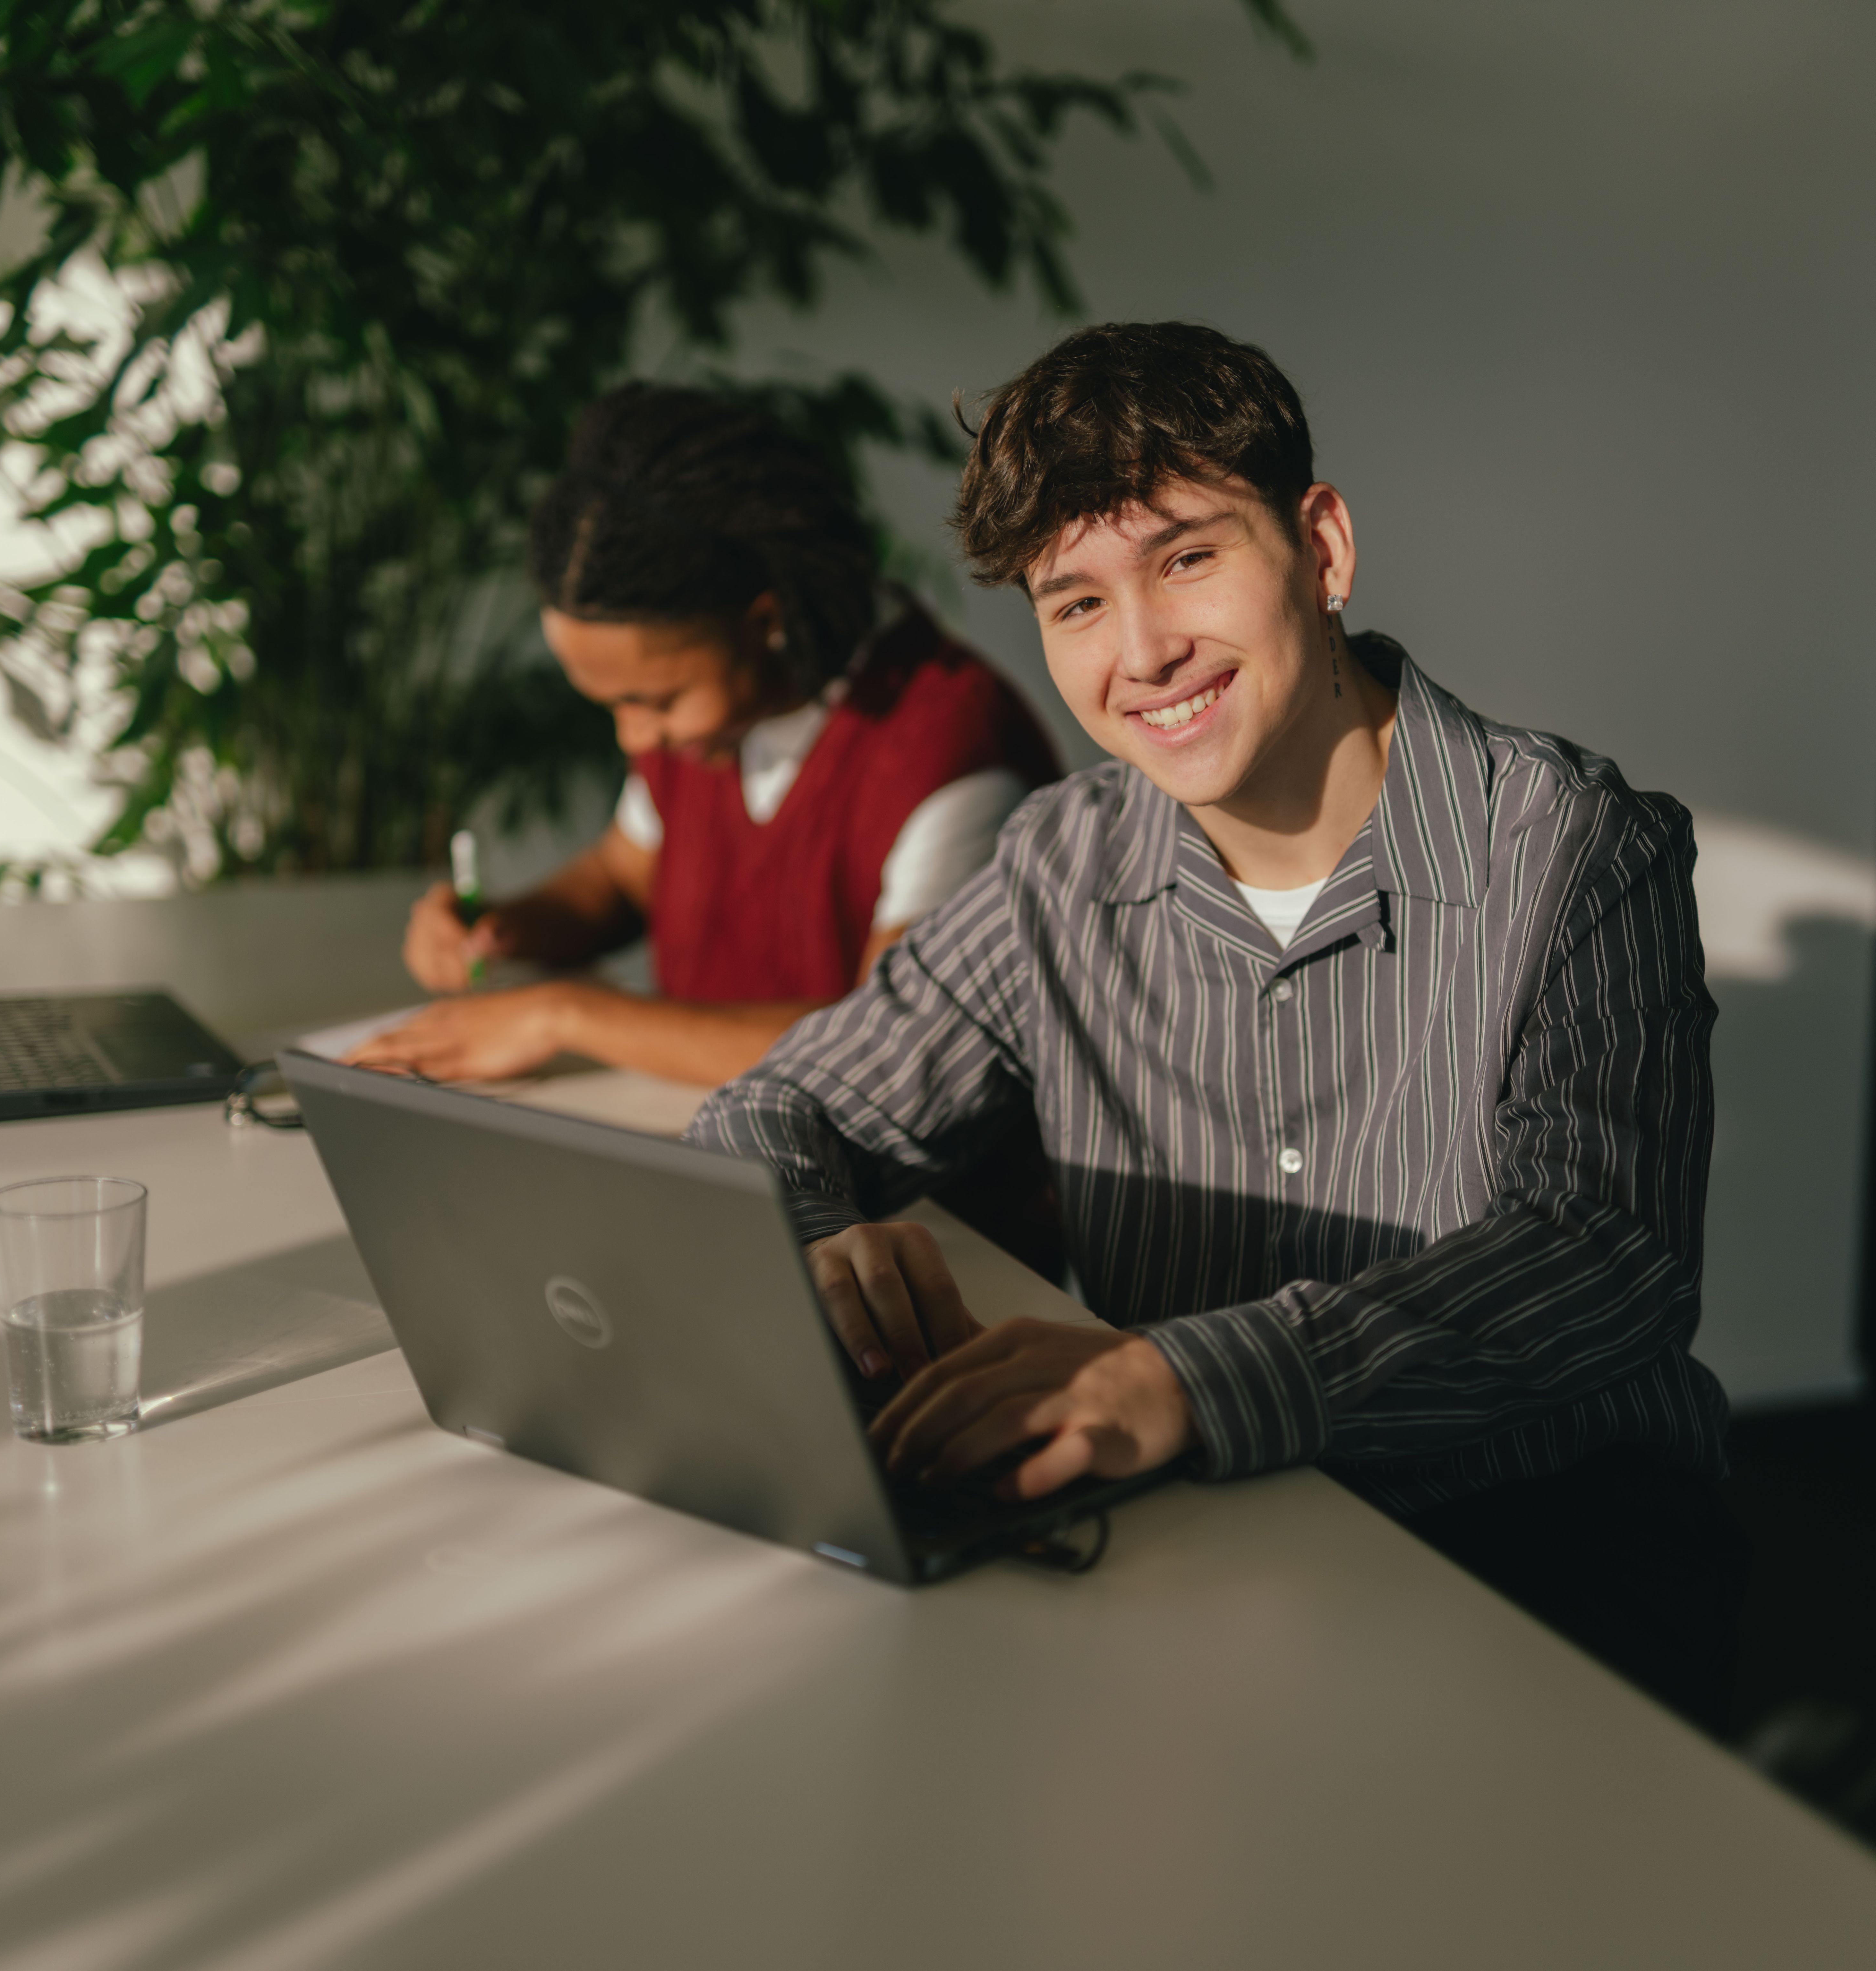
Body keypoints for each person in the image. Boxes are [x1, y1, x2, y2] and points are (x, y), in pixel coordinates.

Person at [686, 322, 1740, 1726]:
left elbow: (1603, 1260)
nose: (1143, 653)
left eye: (1187, 557)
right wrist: (818, 1248)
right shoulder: (1061, 862)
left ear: (1320, 546)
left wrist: (1192, 1379)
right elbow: (774, 1110)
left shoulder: (1574, 851)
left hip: (1537, 1532)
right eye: (1072, 605)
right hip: (1200, 1530)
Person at [346, 384, 1060, 1091]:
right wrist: (505, 927)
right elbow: (623, 880)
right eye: (610, 705)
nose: (634, 739)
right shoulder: (719, 716)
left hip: (922, 1205)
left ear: (764, 622)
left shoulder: (949, 750)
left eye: (652, 702)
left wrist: (561, 1014)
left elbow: (892, 1046)